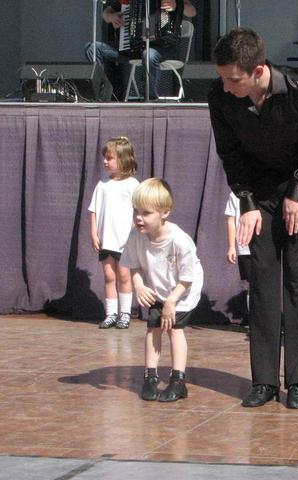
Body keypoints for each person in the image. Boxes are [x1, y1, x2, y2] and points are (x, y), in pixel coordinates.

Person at [208, 28, 298, 409]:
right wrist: (246, 202)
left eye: (234, 78)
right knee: (263, 282)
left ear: (258, 69)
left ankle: (297, 380)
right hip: (259, 193)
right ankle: (263, 381)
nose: (227, 86)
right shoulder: (221, 97)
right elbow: (230, 153)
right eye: (223, 78)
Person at [120, 178, 203, 402]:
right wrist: (139, 285)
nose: (139, 218)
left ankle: (178, 380)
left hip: (182, 291)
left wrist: (171, 302)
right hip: (158, 287)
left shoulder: (180, 241)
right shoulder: (135, 236)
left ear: (164, 212)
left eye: (146, 213)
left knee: (174, 328)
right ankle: (150, 377)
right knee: (153, 327)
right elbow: (133, 264)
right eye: (136, 211)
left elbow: (187, 278)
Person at [85, 0, 196, 100]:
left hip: (162, 48)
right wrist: (112, 17)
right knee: (92, 48)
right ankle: (100, 94)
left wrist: (177, 4)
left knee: (148, 54)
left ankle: (150, 98)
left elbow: (192, 12)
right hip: (131, 49)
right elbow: (106, 13)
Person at [88, 136, 139, 329]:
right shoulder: (102, 184)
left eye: (109, 158)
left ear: (123, 160)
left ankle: (125, 314)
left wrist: (132, 236)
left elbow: (138, 213)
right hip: (106, 240)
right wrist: (94, 233)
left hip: (124, 241)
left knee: (124, 276)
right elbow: (93, 210)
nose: (105, 161)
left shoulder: (133, 185)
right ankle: (111, 314)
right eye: (105, 158)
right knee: (109, 276)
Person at [225, 191, 251, 326]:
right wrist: (231, 246)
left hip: (265, 245)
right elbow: (230, 220)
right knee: (252, 284)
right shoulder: (235, 194)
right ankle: (254, 320)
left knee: (266, 282)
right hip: (245, 246)